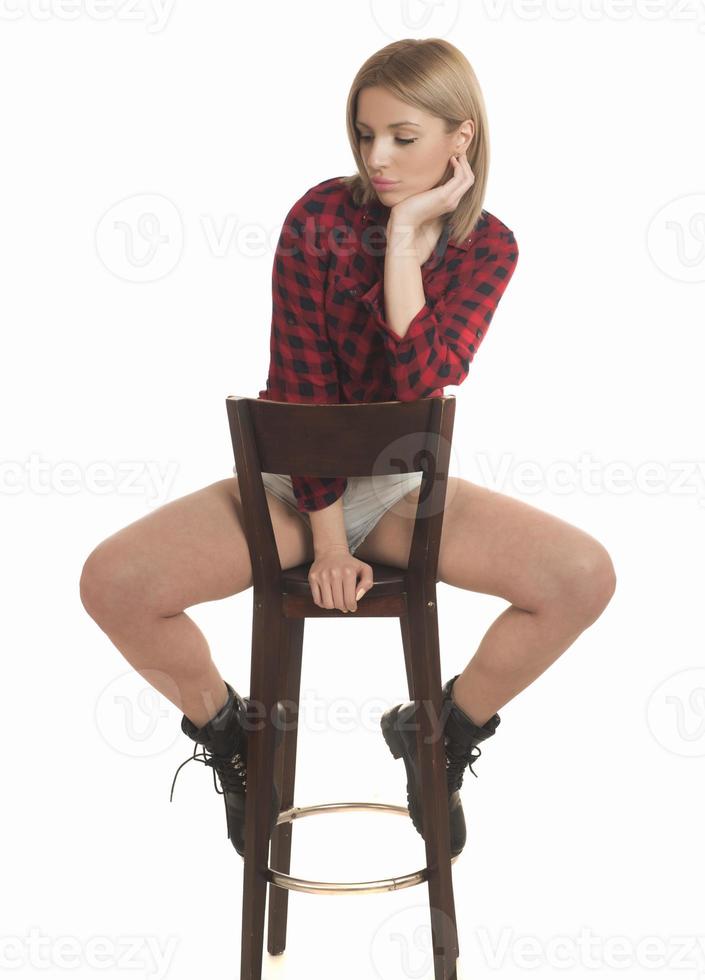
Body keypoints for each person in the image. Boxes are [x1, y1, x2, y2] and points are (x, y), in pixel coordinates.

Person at [79, 37, 616, 861]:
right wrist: (326, 538)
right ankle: (237, 739)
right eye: (364, 136)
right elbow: (297, 387)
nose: (377, 157)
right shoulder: (320, 216)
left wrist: (405, 238)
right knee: (113, 582)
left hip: (402, 486)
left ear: (459, 138)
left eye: (402, 137)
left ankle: (436, 733)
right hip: (294, 481)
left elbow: (424, 378)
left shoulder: (489, 246)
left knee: (580, 576)